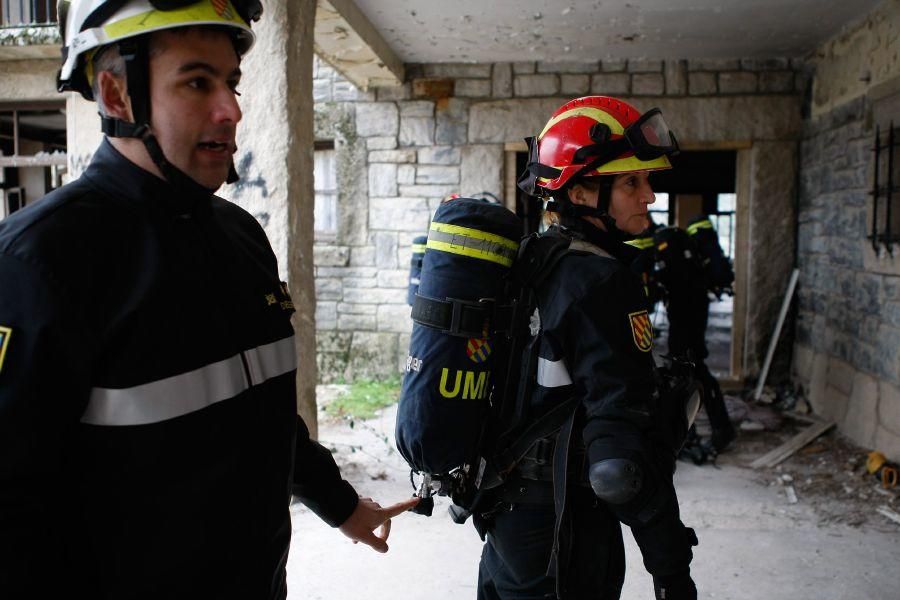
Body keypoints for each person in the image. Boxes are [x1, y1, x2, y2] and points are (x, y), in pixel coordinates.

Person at [0, 2, 416, 598]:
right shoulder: (37, 264)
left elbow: (262, 414)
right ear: (117, 96)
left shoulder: (239, 236)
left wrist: (340, 504)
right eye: (198, 82)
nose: (232, 109)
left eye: (232, 82)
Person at [476, 96, 698, 599]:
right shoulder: (601, 282)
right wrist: (671, 568)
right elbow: (620, 464)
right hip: (565, 525)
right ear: (580, 191)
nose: (650, 197)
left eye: (647, 181)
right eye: (631, 183)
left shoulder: (532, 260)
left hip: (506, 516)